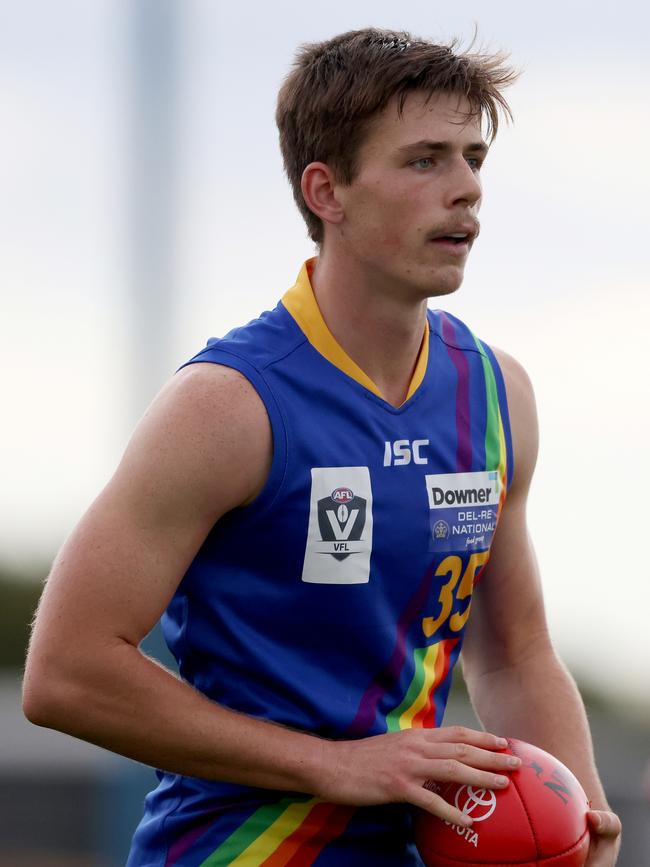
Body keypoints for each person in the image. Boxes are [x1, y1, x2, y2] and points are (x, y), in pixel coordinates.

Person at [23, 27, 621, 866]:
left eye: (473, 157)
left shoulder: (497, 396)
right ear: (327, 191)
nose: (467, 191)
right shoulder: (228, 406)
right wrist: (336, 765)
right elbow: (67, 672)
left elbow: (515, 652)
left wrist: (577, 805)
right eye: (425, 161)